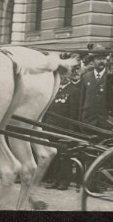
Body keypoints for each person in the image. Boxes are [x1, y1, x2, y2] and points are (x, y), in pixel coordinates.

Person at [43, 63, 81, 191]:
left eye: (65, 74)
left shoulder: (74, 91)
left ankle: (65, 181)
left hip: (64, 130)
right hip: (51, 128)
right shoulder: (54, 89)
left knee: (65, 156)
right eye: (61, 74)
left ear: (70, 75)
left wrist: (70, 133)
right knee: (55, 155)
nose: (63, 77)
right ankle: (55, 179)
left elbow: (73, 114)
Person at [79, 45, 113, 132]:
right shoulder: (86, 77)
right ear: (93, 61)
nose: (101, 61)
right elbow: (82, 101)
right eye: (98, 59)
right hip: (88, 123)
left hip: (105, 124)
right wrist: (81, 121)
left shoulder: (112, 77)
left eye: (103, 58)